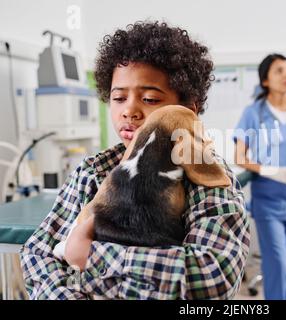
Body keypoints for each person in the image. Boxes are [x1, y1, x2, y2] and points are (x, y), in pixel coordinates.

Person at [20, 21, 250, 300]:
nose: (129, 110)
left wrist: (93, 257)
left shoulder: (210, 181)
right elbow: (37, 256)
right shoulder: (92, 172)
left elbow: (213, 277)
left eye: (150, 98)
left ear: (187, 110)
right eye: (118, 98)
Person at [233, 54, 286, 300]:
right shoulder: (253, 113)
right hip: (268, 200)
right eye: (279, 70)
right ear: (265, 80)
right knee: (277, 262)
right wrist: (272, 171)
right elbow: (240, 155)